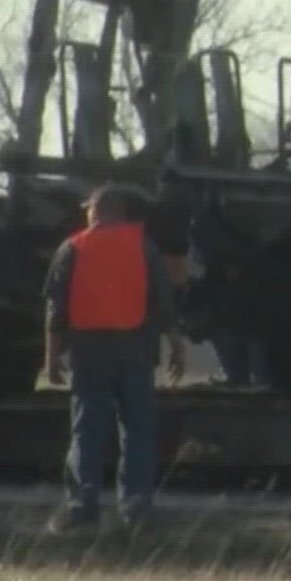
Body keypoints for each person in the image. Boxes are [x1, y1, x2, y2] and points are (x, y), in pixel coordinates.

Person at [42, 184, 185, 530]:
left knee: (87, 429)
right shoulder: (145, 248)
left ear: (96, 210)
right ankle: (136, 509)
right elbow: (163, 303)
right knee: (137, 429)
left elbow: (55, 309)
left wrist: (51, 357)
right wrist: (176, 346)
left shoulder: (72, 247)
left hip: (89, 352)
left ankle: (81, 507)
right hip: (137, 349)